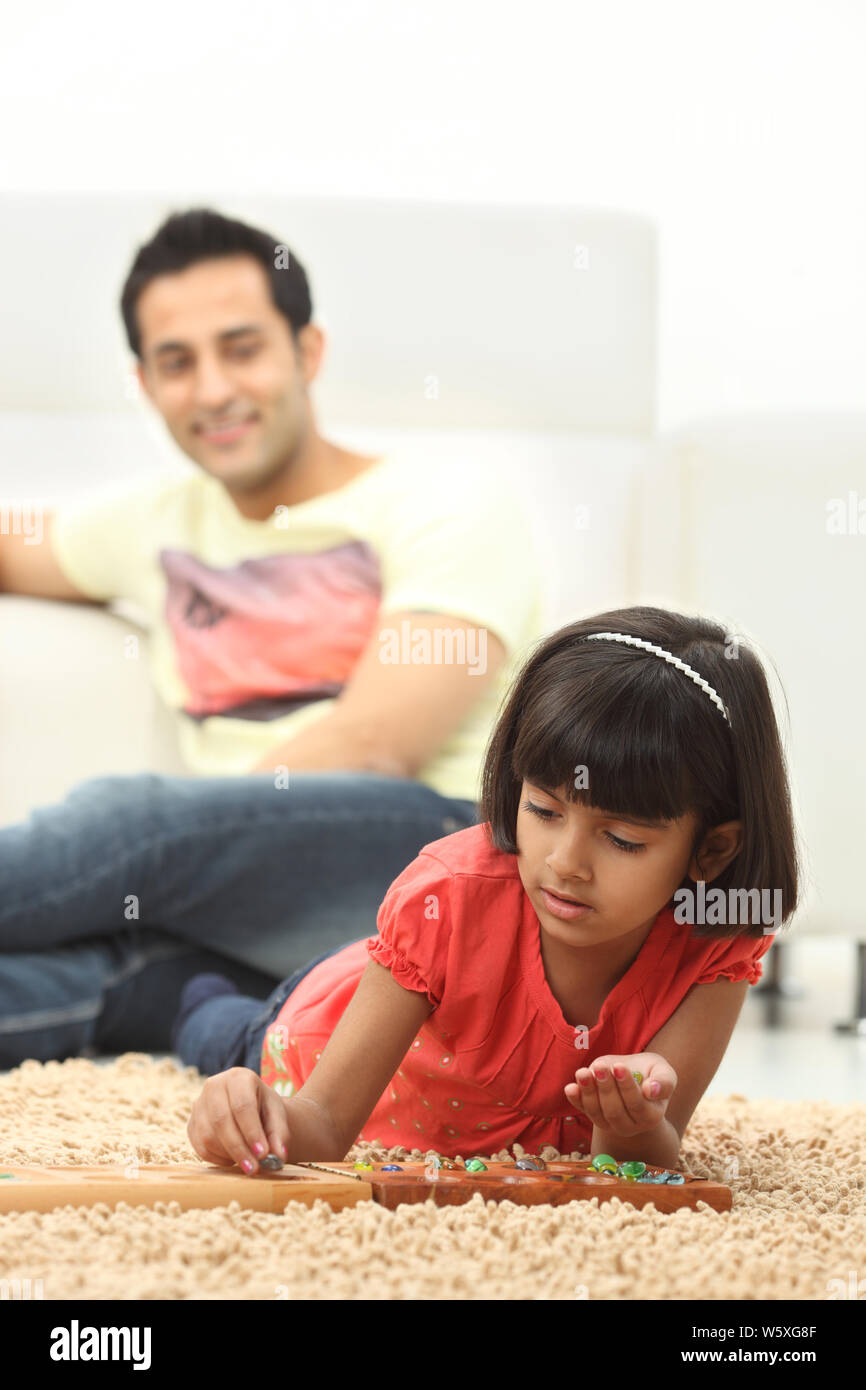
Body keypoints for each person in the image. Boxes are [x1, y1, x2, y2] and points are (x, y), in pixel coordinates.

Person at [0, 208, 543, 1066]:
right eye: (177, 363)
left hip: (432, 858)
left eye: (242, 347)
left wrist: (181, 849)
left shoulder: (448, 501)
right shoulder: (151, 522)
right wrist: (192, 868)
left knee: (124, 826)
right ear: (145, 385)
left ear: (308, 352)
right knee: (99, 973)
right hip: (249, 904)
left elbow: (374, 746)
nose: (213, 388)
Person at [180, 605, 801, 1169]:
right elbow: (321, 1125)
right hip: (319, 1017)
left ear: (714, 849)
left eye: (623, 841)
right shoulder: (445, 898)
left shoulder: (720, 936)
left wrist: (630, 1122)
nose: (565, 863)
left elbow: (649, 1161)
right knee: (217, 1030)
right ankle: (195, 991)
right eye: (544, 810)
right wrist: (241, 1110)